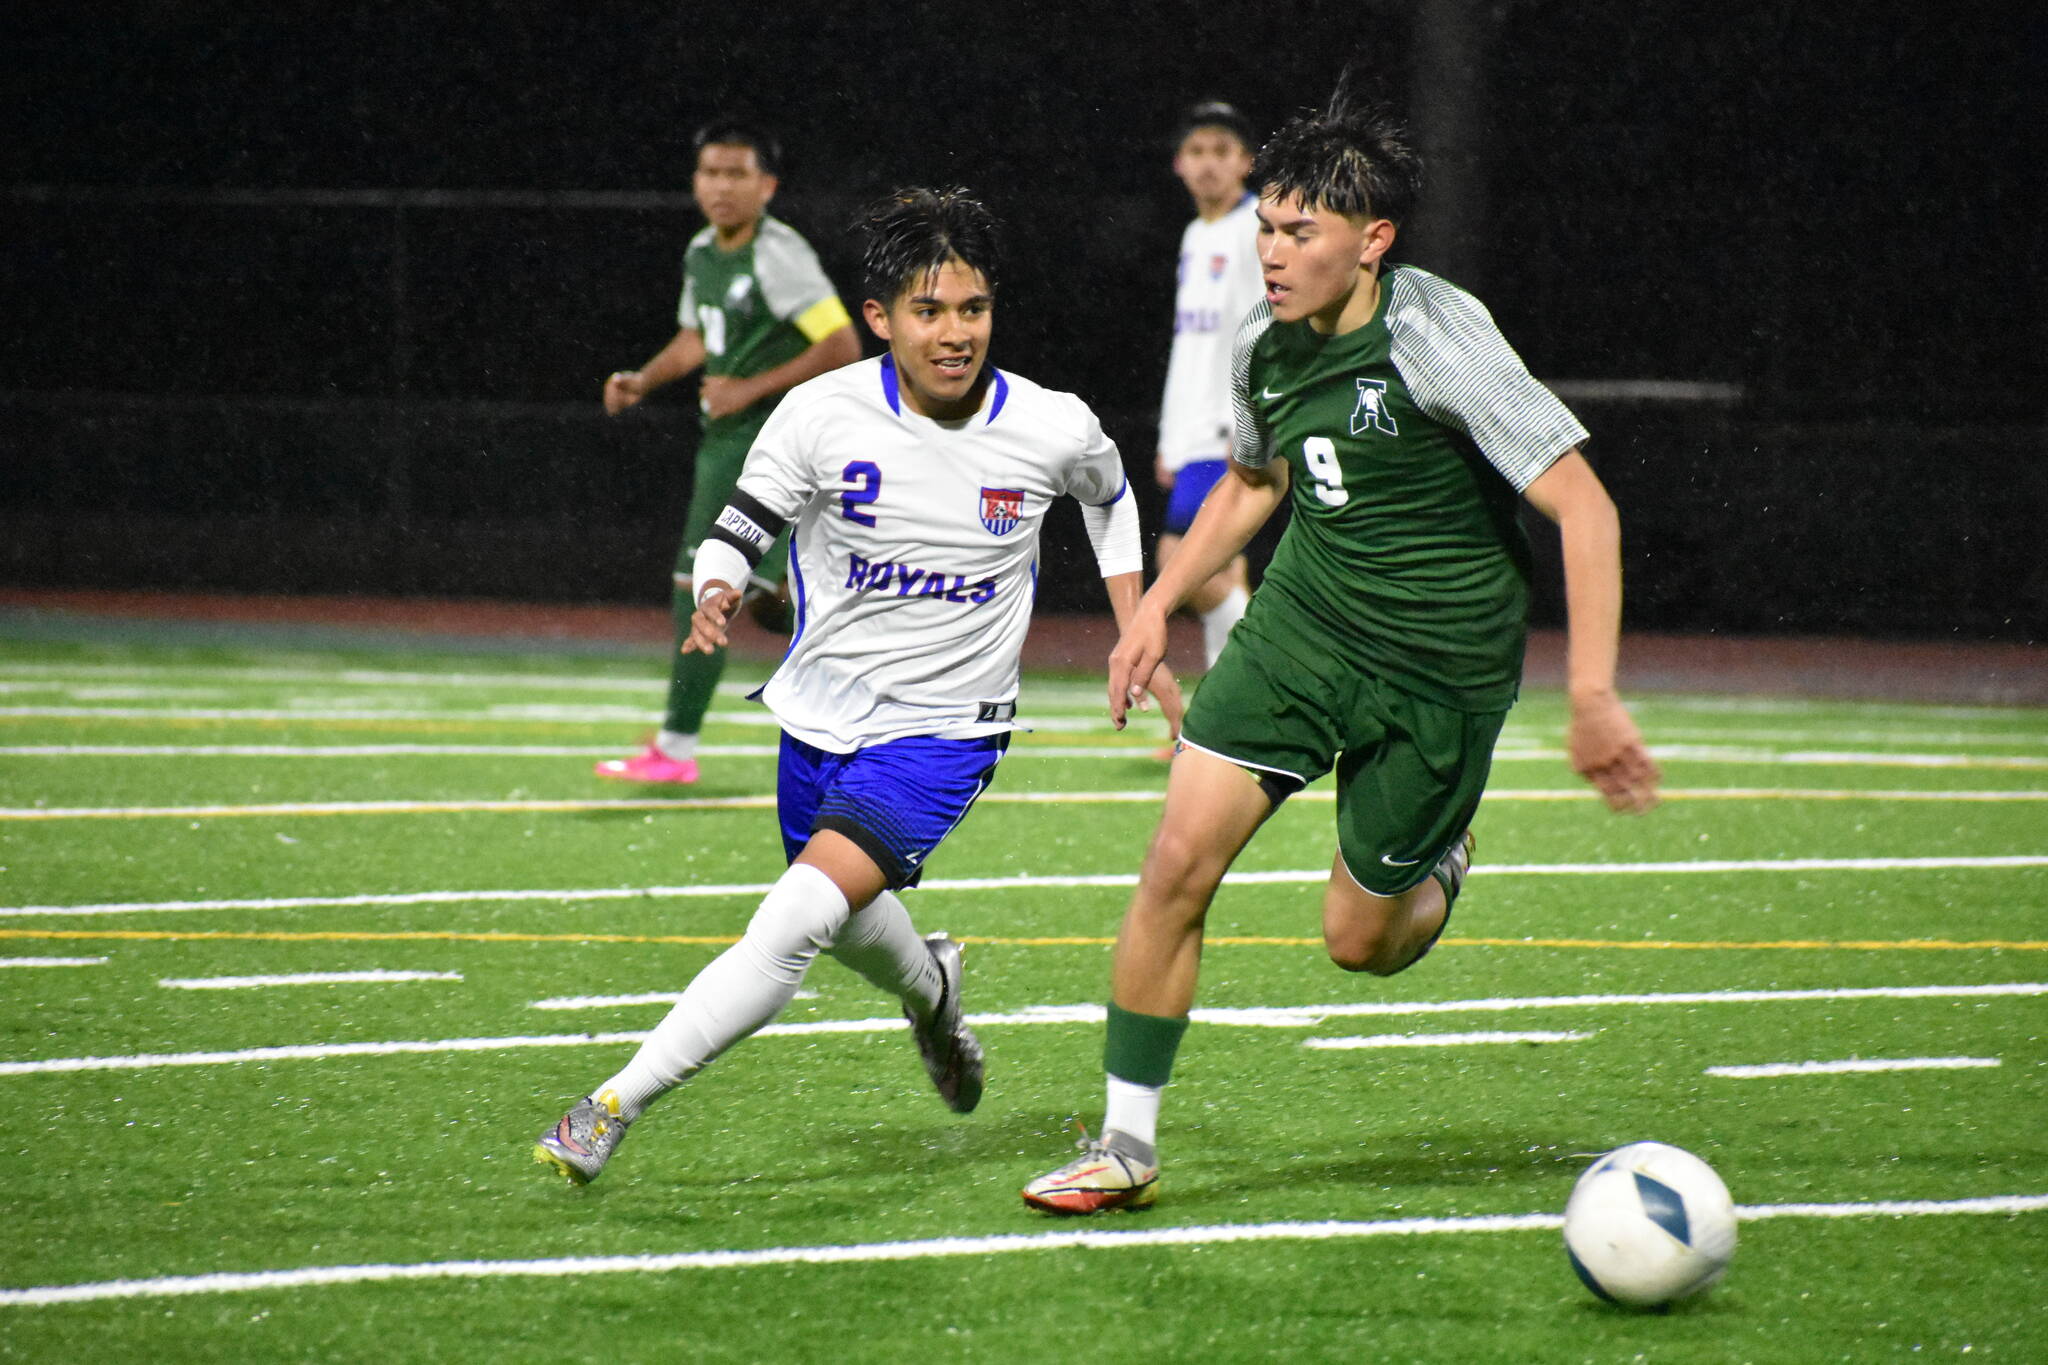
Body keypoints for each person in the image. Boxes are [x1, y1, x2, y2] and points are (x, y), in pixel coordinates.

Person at [1021, 94, 1662, 1215]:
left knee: (1356, 942)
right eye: (1266, 228)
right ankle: (1124, 1144)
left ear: (1371, 242)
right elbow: (1259, 482)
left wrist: (1593, 694)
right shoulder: (1266, 349)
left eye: (1298, 232)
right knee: (1175, 861)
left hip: (1438, 668)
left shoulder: (1432, 335)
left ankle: (1436, 866)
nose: (1269, 253)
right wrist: (1158, 603)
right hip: (1304, 632)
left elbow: (1586, 509)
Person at [535, 186, 1182, 1187]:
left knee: (793, 920)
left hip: (945, 733)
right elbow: (738, 529)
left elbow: (1109, 498)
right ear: (878, 317)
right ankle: (930, 990)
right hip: (818, 714)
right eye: (929, 312)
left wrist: (1133, 618)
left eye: (972, 308)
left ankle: (611, 1104)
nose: (955, 332)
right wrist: (715, 587)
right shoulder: (821, 414)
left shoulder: (1050, 425)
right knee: (837, 919)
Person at [595, 119, 860, 785]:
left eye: (736, 173)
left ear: (767, 185)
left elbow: (841, 345)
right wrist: (643, 380)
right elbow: (695, 338)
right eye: (710, 172)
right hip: (728, 443)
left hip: (769, 441)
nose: (720, 186)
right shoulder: (702, 253)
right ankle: (827, 620)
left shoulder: (777, 252)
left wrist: (748, 389)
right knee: (756, 598)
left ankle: (676, 748)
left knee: (697, 587)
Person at [1155, 101, 1262, 681]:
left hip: (1227, 428)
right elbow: (1193, 344)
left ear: (1246, 162)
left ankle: (1265, 664)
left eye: (1222, 152)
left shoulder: (1255, 231)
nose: (1208, 165)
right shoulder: (1197, 234)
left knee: (1179, 562)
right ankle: (1229, 718)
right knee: (1227, 568)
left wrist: (1247, 426)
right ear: (1178, 163)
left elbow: (1266, 332)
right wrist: (1171, 438)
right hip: (1192, 431)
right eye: (1197, 152)